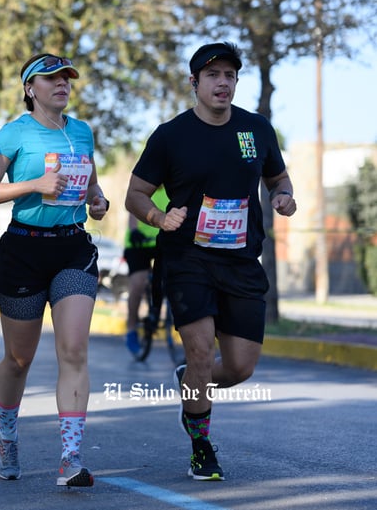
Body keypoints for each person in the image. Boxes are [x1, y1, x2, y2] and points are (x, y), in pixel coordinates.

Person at [124, 42, 297, 481]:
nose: (223, 82)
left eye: (230, 76)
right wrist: (160, 217)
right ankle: (201, 445)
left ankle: (193, 383)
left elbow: (277, 175)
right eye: (213, 75)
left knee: (239, 367)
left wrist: (282, 195)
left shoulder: (256, 129)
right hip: (187, 258)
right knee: (200, 350)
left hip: (240, 260)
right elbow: (135, 195)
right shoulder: (171, 135)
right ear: (194, 83)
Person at [0, 53, 110, 487]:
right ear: (30, 88)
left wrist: (97, 200)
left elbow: (89, 182)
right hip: (23, 250)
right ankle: (7, 433)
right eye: (50, 78)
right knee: (19, 359)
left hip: (72, 248)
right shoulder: (14, 133)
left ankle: (71, 456)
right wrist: (33, 185)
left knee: (73, 350)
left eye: (66, 78)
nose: (62, 85)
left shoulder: (82, 132)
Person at [124, 185, 169, 357]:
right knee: (138, 283)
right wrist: (134, 231)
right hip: (139, 244)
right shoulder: (146, 185)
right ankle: (131, 329)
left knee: (170, 280)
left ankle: (160, 315)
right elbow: (132, 211)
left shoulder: (171, 186)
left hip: (162, 242)